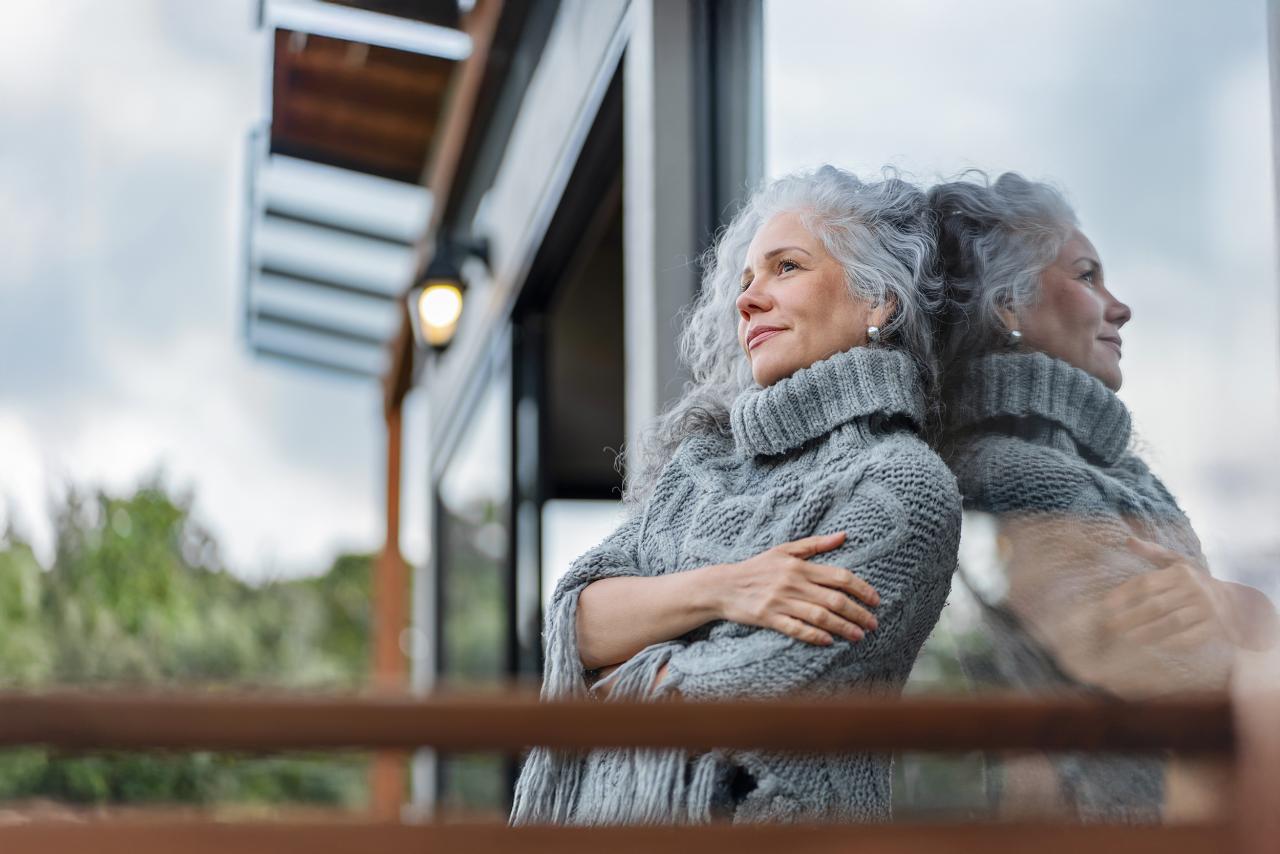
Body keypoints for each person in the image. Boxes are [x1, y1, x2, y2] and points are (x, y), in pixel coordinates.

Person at [510, 166, 962, 825]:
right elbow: (579, 622)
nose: (748, 301)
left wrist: (624, 671)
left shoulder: (900, 484)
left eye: (786, 267)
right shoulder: (700, 465)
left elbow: (755, 683)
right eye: (746, 281)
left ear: (878, 302)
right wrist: (729, 589)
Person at [929, 171, 1278, 822]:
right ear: (1007, 307)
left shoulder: (1091, 467)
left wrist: (1240, 611)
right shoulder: (1022, 474)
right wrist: (1250, 619)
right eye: (1087, 276)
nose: (1119, 307)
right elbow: (1183, 672)